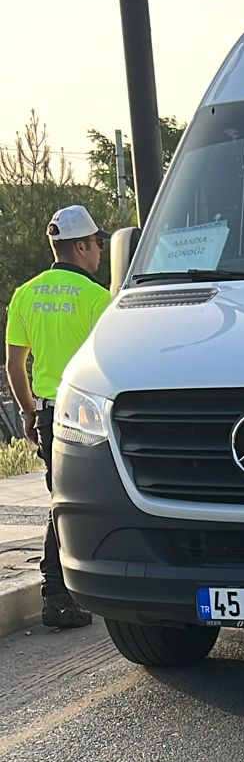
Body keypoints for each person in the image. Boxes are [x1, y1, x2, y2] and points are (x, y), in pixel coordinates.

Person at [5, 204, 110, 629]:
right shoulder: (97, 298)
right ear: (81, 246)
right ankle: (58, 593)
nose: (100, 252)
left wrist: (29, 412)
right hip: (89, 416)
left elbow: (15, 365)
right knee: (76, 504)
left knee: (61, 499)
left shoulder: (25, 294)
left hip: (48, 415)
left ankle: (67, 589)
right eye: (98, 244)